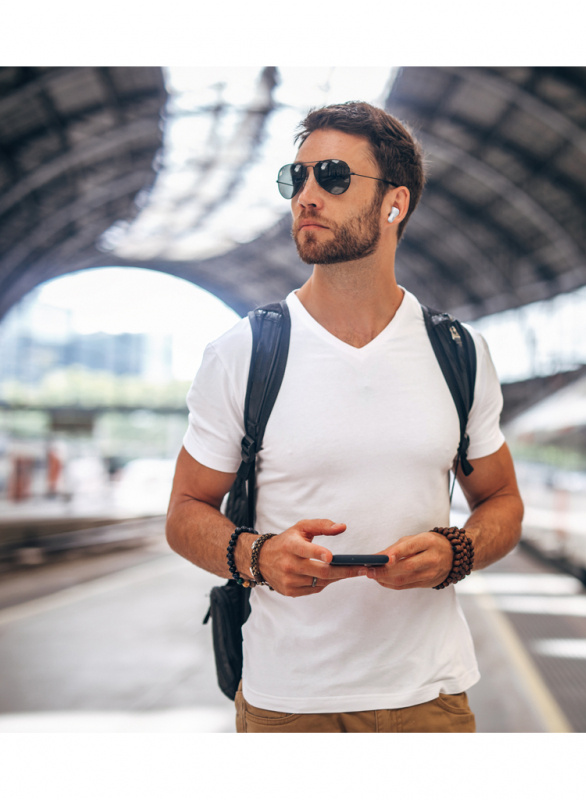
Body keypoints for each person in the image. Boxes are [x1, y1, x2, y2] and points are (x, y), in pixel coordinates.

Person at [166, 101, 523, 733]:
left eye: (332, 177)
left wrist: (458, 553)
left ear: (394, 204)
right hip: (287, 705)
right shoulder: (244, 353)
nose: (306, 195)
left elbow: (502, 501)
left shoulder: (459, 353)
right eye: (295, 177)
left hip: (430, 699)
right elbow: (184, 513)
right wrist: (257, 556)